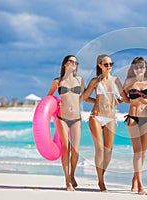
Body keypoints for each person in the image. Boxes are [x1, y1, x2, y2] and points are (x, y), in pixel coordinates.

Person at [80, 54, 129, 192]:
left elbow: (124, 98)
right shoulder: (95, 81)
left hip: (111, 117)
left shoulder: (116, 81)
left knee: (109, 151)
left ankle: (101, 175)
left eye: (111, 64)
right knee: (100, 149)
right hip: (96, 116)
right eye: (106, 64)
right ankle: (101, 182)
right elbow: (83, 97)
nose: (109, 67)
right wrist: (95, 101)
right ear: (100, 66)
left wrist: (143, 100)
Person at [47, 55, 84, 191]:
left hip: (76, 118)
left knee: (75, 150)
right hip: (62, 118)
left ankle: (72, 175)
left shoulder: (79, 80)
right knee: (65, 149)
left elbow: (83, 97)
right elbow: (49, 97)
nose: (73, 63)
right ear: (64, 64)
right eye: (71, 61)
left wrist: (100, 101)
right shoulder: (57, 81)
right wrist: (51, 109)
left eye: (75, 62)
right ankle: (67, 180)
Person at [123, 56, 147, 195]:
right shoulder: (128, 82)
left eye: (141, 66)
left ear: (145, 67)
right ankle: (140, 186)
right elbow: (124, 97)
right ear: (133, 68)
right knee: (137, 152)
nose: (139, 69)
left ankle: (135, 178)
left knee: (143, 152)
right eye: (136, 67)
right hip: (133, 118)